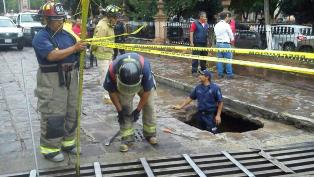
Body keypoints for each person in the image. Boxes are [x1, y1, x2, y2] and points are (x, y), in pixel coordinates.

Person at [32, 2, 85, 162]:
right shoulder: (41, 37)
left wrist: (81, 49)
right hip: (52, 80)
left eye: (62, 18)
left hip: (71, 77)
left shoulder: (68, 35)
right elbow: (52, 56)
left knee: (72, 110)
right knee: (54, 114)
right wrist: (75, 49)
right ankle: (51, 149)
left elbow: (78, 53)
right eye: (56, 19)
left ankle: (68, 142)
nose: (60, 22)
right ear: (47, 20)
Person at [104, 53, 157, 152]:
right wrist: (120, 110)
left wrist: (138, 110)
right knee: (125, 107)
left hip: (141, 85)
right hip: (122, 85)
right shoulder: (112, 69)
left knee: (149, 105)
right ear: (117, 77)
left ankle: (150, 133)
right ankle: (127, 137)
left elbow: (147, 92)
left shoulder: (144, 68)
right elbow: (111, 92)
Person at [173, 69, 223, 134]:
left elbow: (220, 102)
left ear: (207, 77)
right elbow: (190, 98)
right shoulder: (198, 87)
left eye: (201, 75)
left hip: (210, 116)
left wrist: (218, 115)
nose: (199, 76)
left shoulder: (215, 88)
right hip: (200, 115)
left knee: (212, 134)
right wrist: (180, 106)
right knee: (200, 133)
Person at [92, 4, 120, 102]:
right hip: (102, 54)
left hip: (108, 54)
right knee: (104, 75)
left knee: (111, 75)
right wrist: (92, 50)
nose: (116, 20)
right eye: (115, 17)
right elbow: (96, 41)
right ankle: (106, 97)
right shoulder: (102, 26)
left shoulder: (109, 25)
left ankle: (111, 93)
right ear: (109, 16)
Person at [214, 12, 234, 79]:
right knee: (228, 60)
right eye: (228, 17)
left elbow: (215, 34)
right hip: (225, 44)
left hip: (218, 44)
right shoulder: (226, 25)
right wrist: (232, 39)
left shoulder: (216, 25)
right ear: (226, 16)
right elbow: (231, 34)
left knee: (219, 60)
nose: (229, 18)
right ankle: (229, 74)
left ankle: (220, 74)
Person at [189, 11, 209, 76]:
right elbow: (191, 32)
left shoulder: (206, 24)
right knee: (195, 57)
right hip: (197, 43)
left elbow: (206, 33)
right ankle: (194, 71)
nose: (206, 18)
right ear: (201, 17)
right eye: (204, 17)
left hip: (204, 43)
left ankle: (203, 69)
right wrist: (191, 42)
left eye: (206, 17)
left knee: (204, 56)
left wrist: (208, 41)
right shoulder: (195, 23)